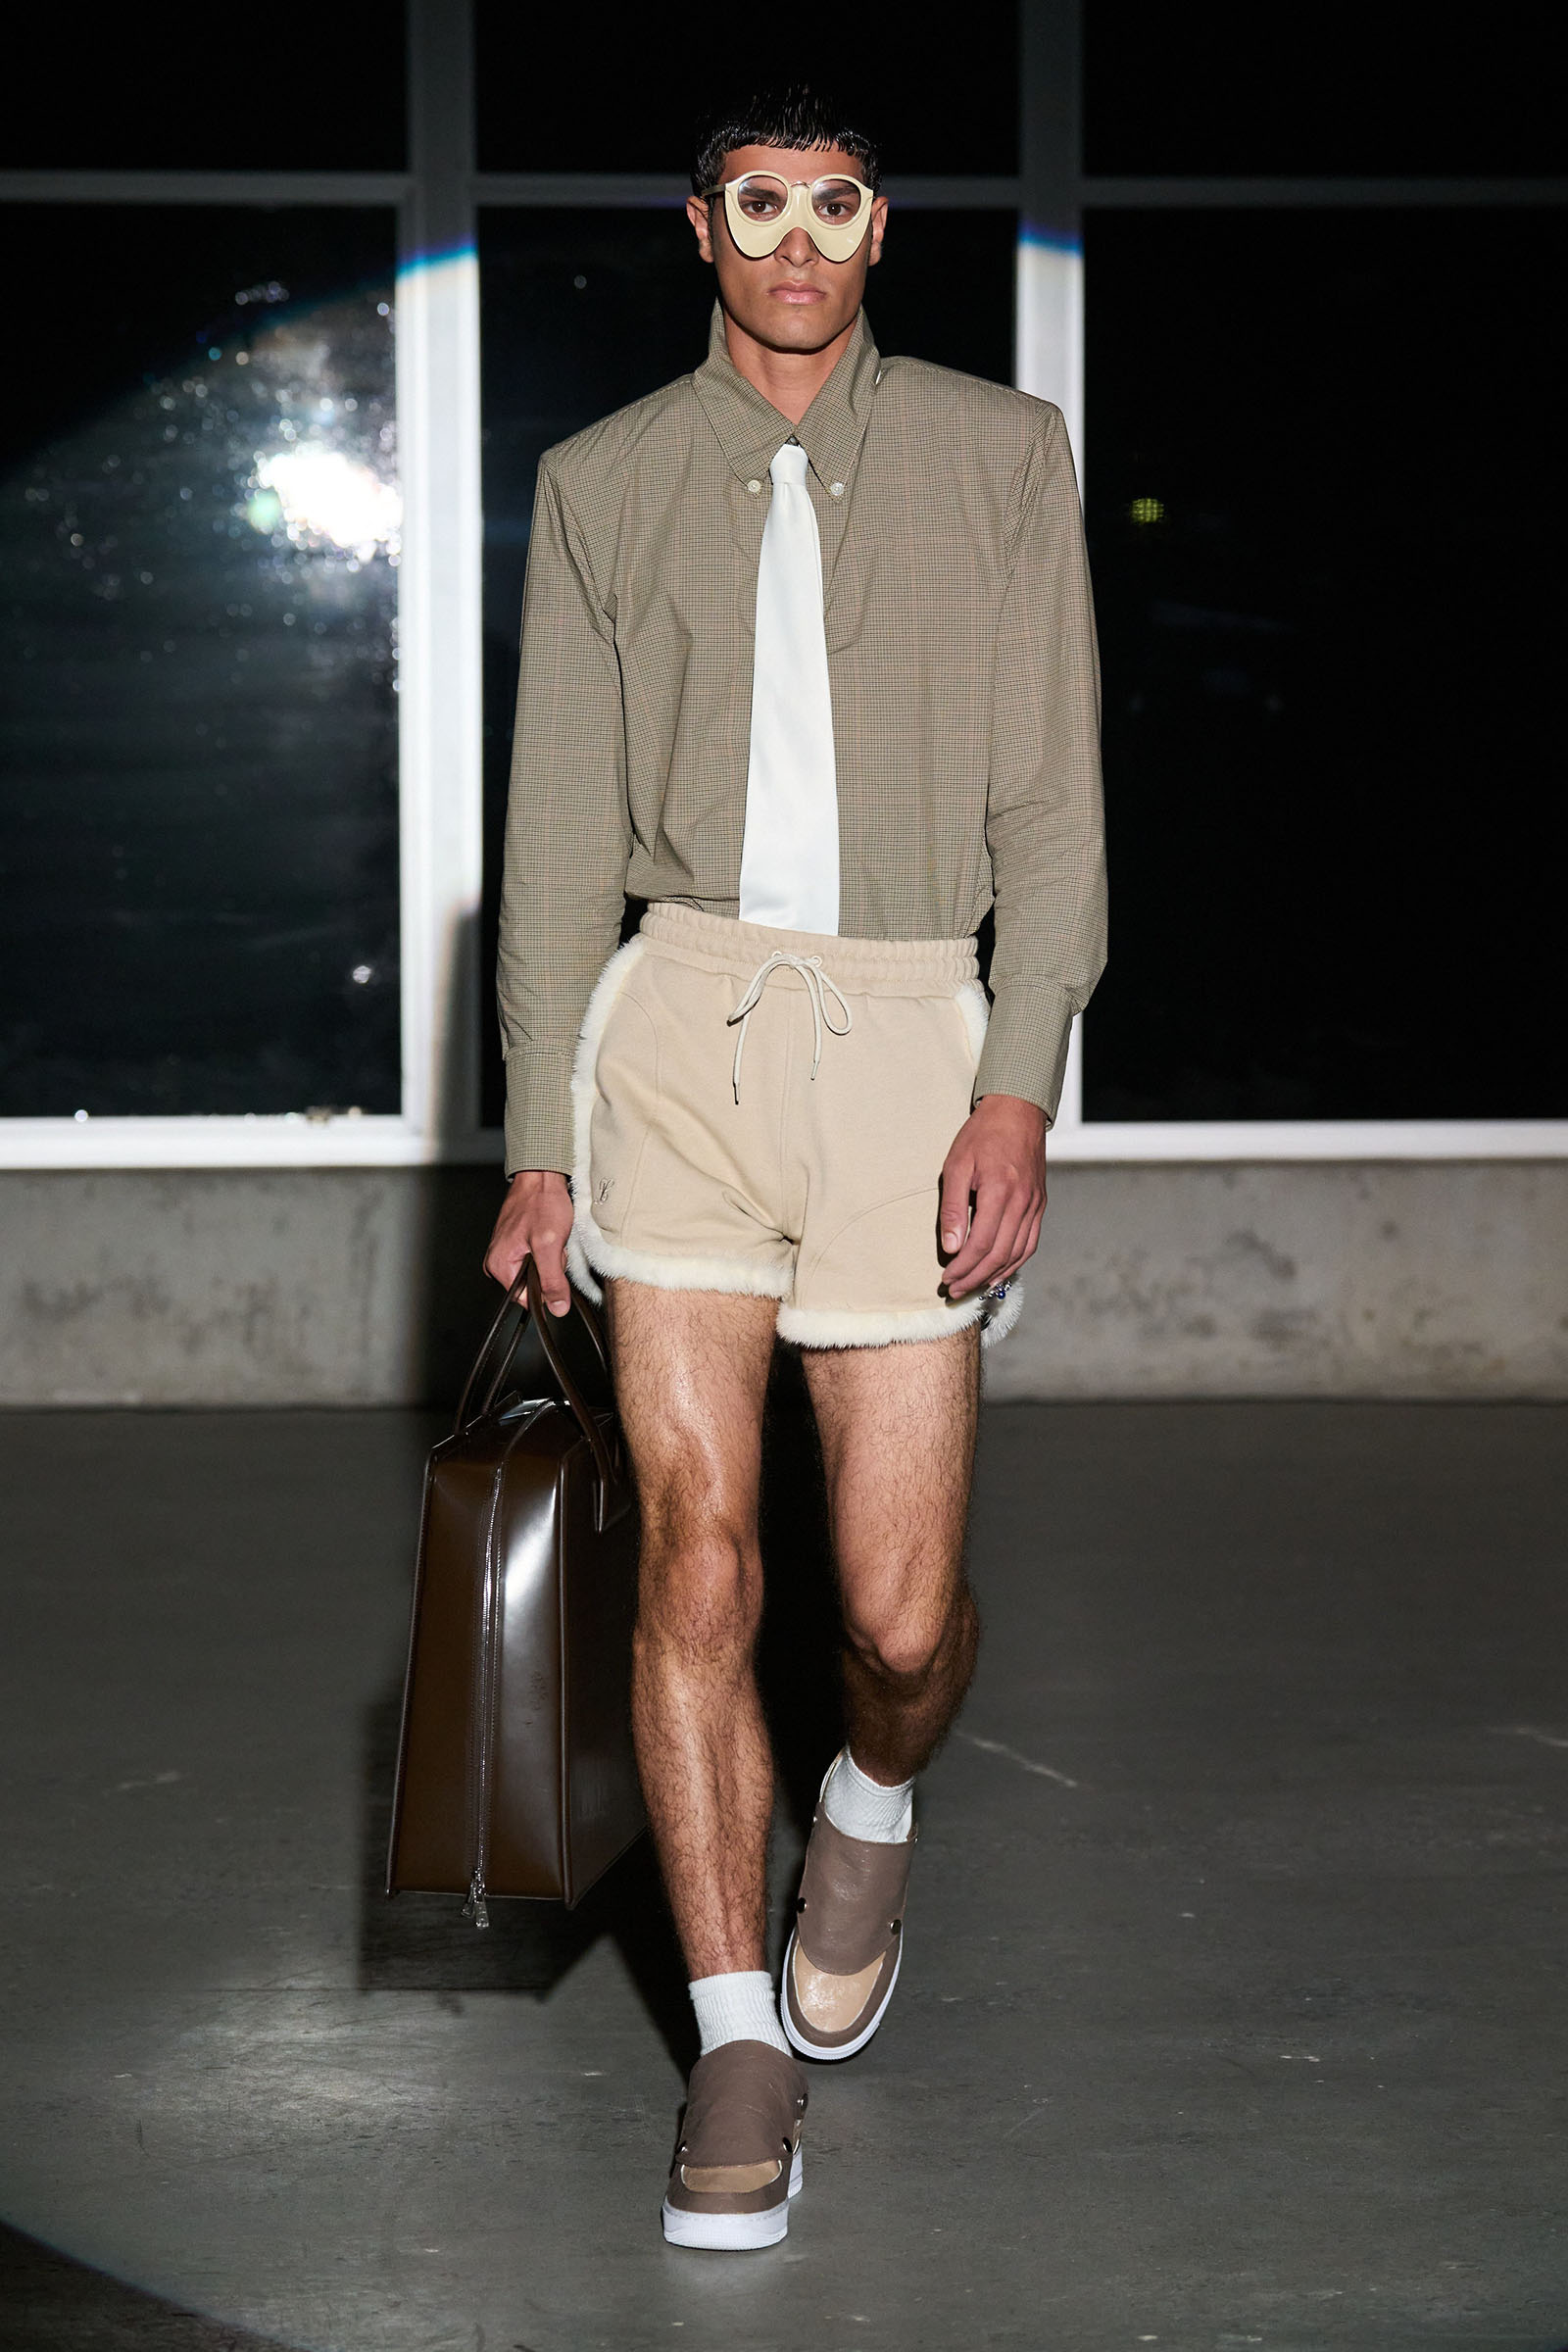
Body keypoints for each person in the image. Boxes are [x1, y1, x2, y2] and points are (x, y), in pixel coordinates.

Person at [484, 83, 1105, 2251]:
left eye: (834, 205)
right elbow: (555, 839)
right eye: (758, 204)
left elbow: (1054, 811)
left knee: (897, 1617)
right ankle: (732, 2036)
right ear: (701, 228)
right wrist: (536, 1142)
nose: (796, 242)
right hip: (674, 1037)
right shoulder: (600, 483)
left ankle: (871, 1793)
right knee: (695, 1562)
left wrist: (1016, 1085)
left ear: (878, 228)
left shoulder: (998, 457)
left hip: (913, 1042)